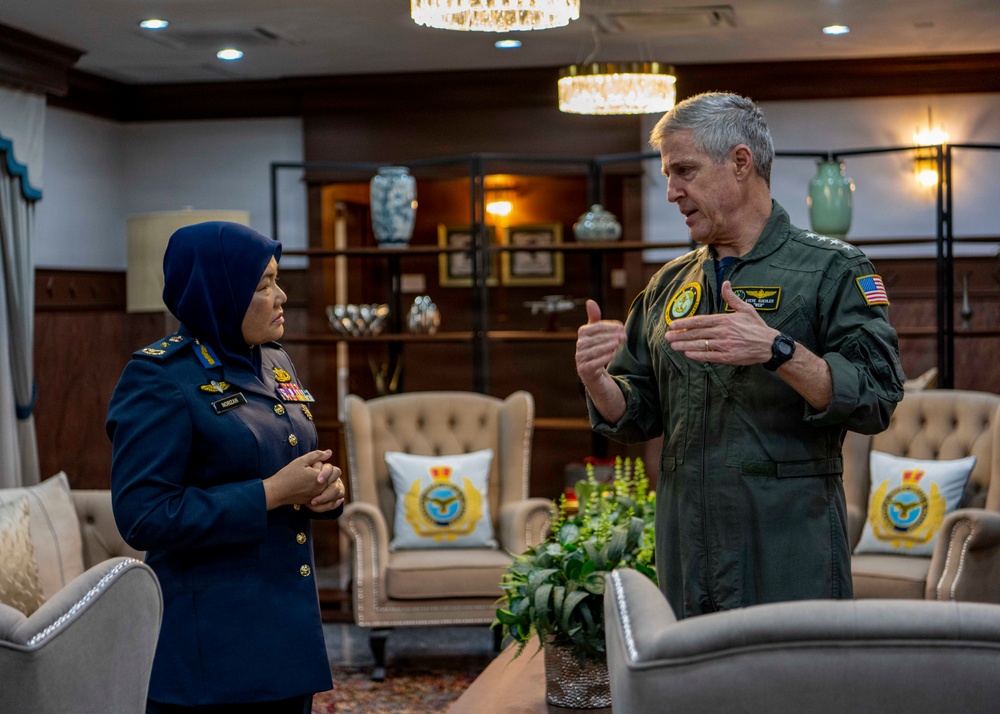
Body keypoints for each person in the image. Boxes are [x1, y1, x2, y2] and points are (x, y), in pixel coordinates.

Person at [575, 92, 905, 619]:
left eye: (684, 171)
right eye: (667, 174)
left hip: (787, 553)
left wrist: (777, 350)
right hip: (687, 551)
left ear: (740, 162)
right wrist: (598, 381)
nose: (670, 192)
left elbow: (876, 397)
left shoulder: (833, 270)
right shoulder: (667, 284)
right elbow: (638, 414)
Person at [107, 221, 344, 713]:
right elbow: (143, 515)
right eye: (263, 285)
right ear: (219, 292)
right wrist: (272, 492)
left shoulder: (275, 361)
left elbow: (289, 463)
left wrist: (323, 494)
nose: (281, 296)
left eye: (277, 280)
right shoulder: (158, 378)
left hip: (287, 632)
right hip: (212, 653)